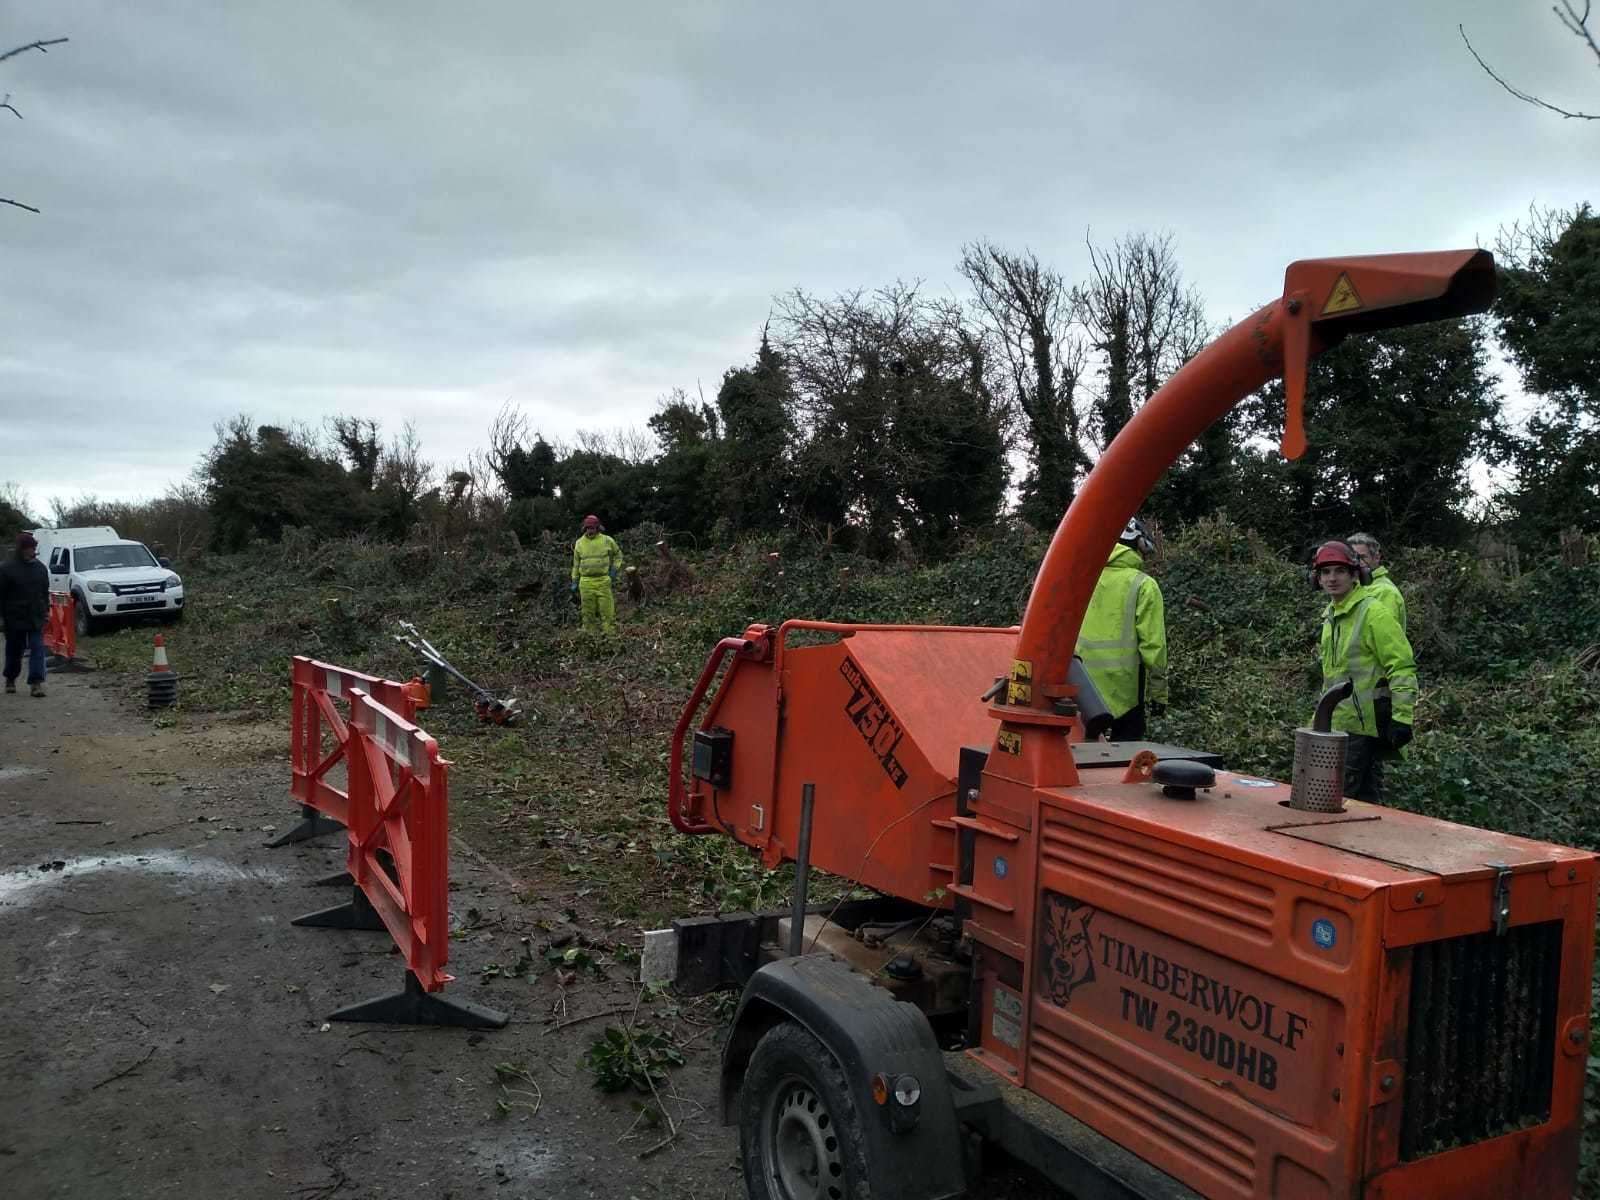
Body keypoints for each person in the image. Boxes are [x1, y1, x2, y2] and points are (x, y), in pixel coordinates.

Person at [1311, 540, 1416, 802]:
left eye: (1339, 571)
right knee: (1365, 803)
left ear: (1355, 574)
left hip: (1361, 724)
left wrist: (1403, 717)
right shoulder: (1331, 615)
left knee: (1339, 801)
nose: (1332, 578)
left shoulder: (1373, 612)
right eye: (1326, 572)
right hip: (1338, 722)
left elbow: (1401, 665)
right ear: (1317, 578)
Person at [1076, 517, 1167, 741]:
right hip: (1125, 695)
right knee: (1125, 763)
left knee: (1080, 759)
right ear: (1138, 544)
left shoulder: (1082, 579)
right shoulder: (1144, 585)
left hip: (1081, 690)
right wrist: (1159, 695)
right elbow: (1154, 648)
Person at [1, 532, 51, 697]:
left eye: (34, 548)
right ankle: (10, 678)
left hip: (35, 616)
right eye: (30, 548)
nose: (33, 551)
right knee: (15, 651)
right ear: (22, 549)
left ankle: (36, 683)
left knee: (37, 648)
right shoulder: (7, 569)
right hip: (14, 617)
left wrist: (46, 611)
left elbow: (44, 592)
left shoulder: (40, 568)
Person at [571, 514, 622, 636]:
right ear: (585, 528)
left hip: (603, 580)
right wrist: (574, 580)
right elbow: (576, 564)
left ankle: (609, 635)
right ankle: (590, 636)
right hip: (586, 582)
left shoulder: (607, 540)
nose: (590, 530)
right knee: (588, 611)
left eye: (593, 528)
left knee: (607, 610)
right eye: (588, 528)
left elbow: (618, 555)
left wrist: (614, 570)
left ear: (598, 528)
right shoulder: (579, 543)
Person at [1347, 532, 1406, 633]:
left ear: (1377, 557)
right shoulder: (1351, 587)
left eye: (1362, 557)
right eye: (1352, 558)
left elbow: (1386, 637)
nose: (1356, 562)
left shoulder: (1385, 592)